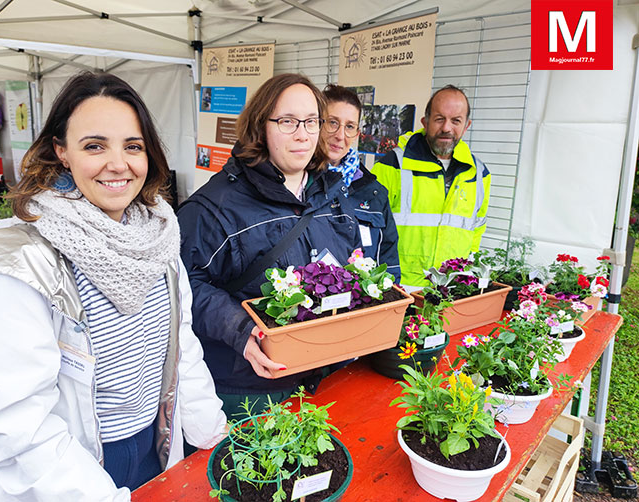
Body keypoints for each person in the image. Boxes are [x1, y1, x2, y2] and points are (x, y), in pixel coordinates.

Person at [0, 72, 226, 501]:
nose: (118, 163)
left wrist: (213, 436)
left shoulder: (159, 237)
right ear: (61, 151)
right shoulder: (19, 259)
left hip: (154, 442)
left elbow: (180, 345)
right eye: (95, 146)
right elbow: (16, 423)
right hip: (63, 469)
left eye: (132, 146)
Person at [177, 73, 362, 417]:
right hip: (249, 389)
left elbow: (350, 267)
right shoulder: (214, 207)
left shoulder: (334, 196)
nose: (303, 134)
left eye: (311, 121)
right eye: (288, 122)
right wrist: (241, 329)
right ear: (260, 126)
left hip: (323, 377)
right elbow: (182, 285)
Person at [371, 84, 491, 290]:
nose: (446, 128)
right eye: (439, 119)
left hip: (451, 291)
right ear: (425, 122)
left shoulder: (479, 174)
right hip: (400, 289)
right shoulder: (392, 166)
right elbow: (370, 230)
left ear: (466, 125)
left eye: (456, 121)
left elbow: (477, 229)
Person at [321, 84, 400, 282]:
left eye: (349, 126)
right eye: (332, 122)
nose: (340, 135)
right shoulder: (297, 183)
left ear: (357, 133)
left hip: (361, 307)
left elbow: (388, 259)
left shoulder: (373, 193)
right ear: (316, 123)